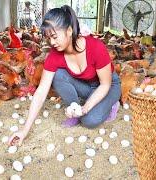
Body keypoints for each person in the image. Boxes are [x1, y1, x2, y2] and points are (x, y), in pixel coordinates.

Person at [9, 5, 121, 146]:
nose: (52, 42)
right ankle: (74, 107)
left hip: (107, 86)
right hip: (87, 86)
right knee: (58, 74)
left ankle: (111, 104)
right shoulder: (54, 55)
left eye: (55, 37)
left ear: (69, 30)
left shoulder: (96, 47)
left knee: (89, 121)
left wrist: (85, 108)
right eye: (49, 38)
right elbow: (41, 91)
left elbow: (105, 84)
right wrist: (24, 131)